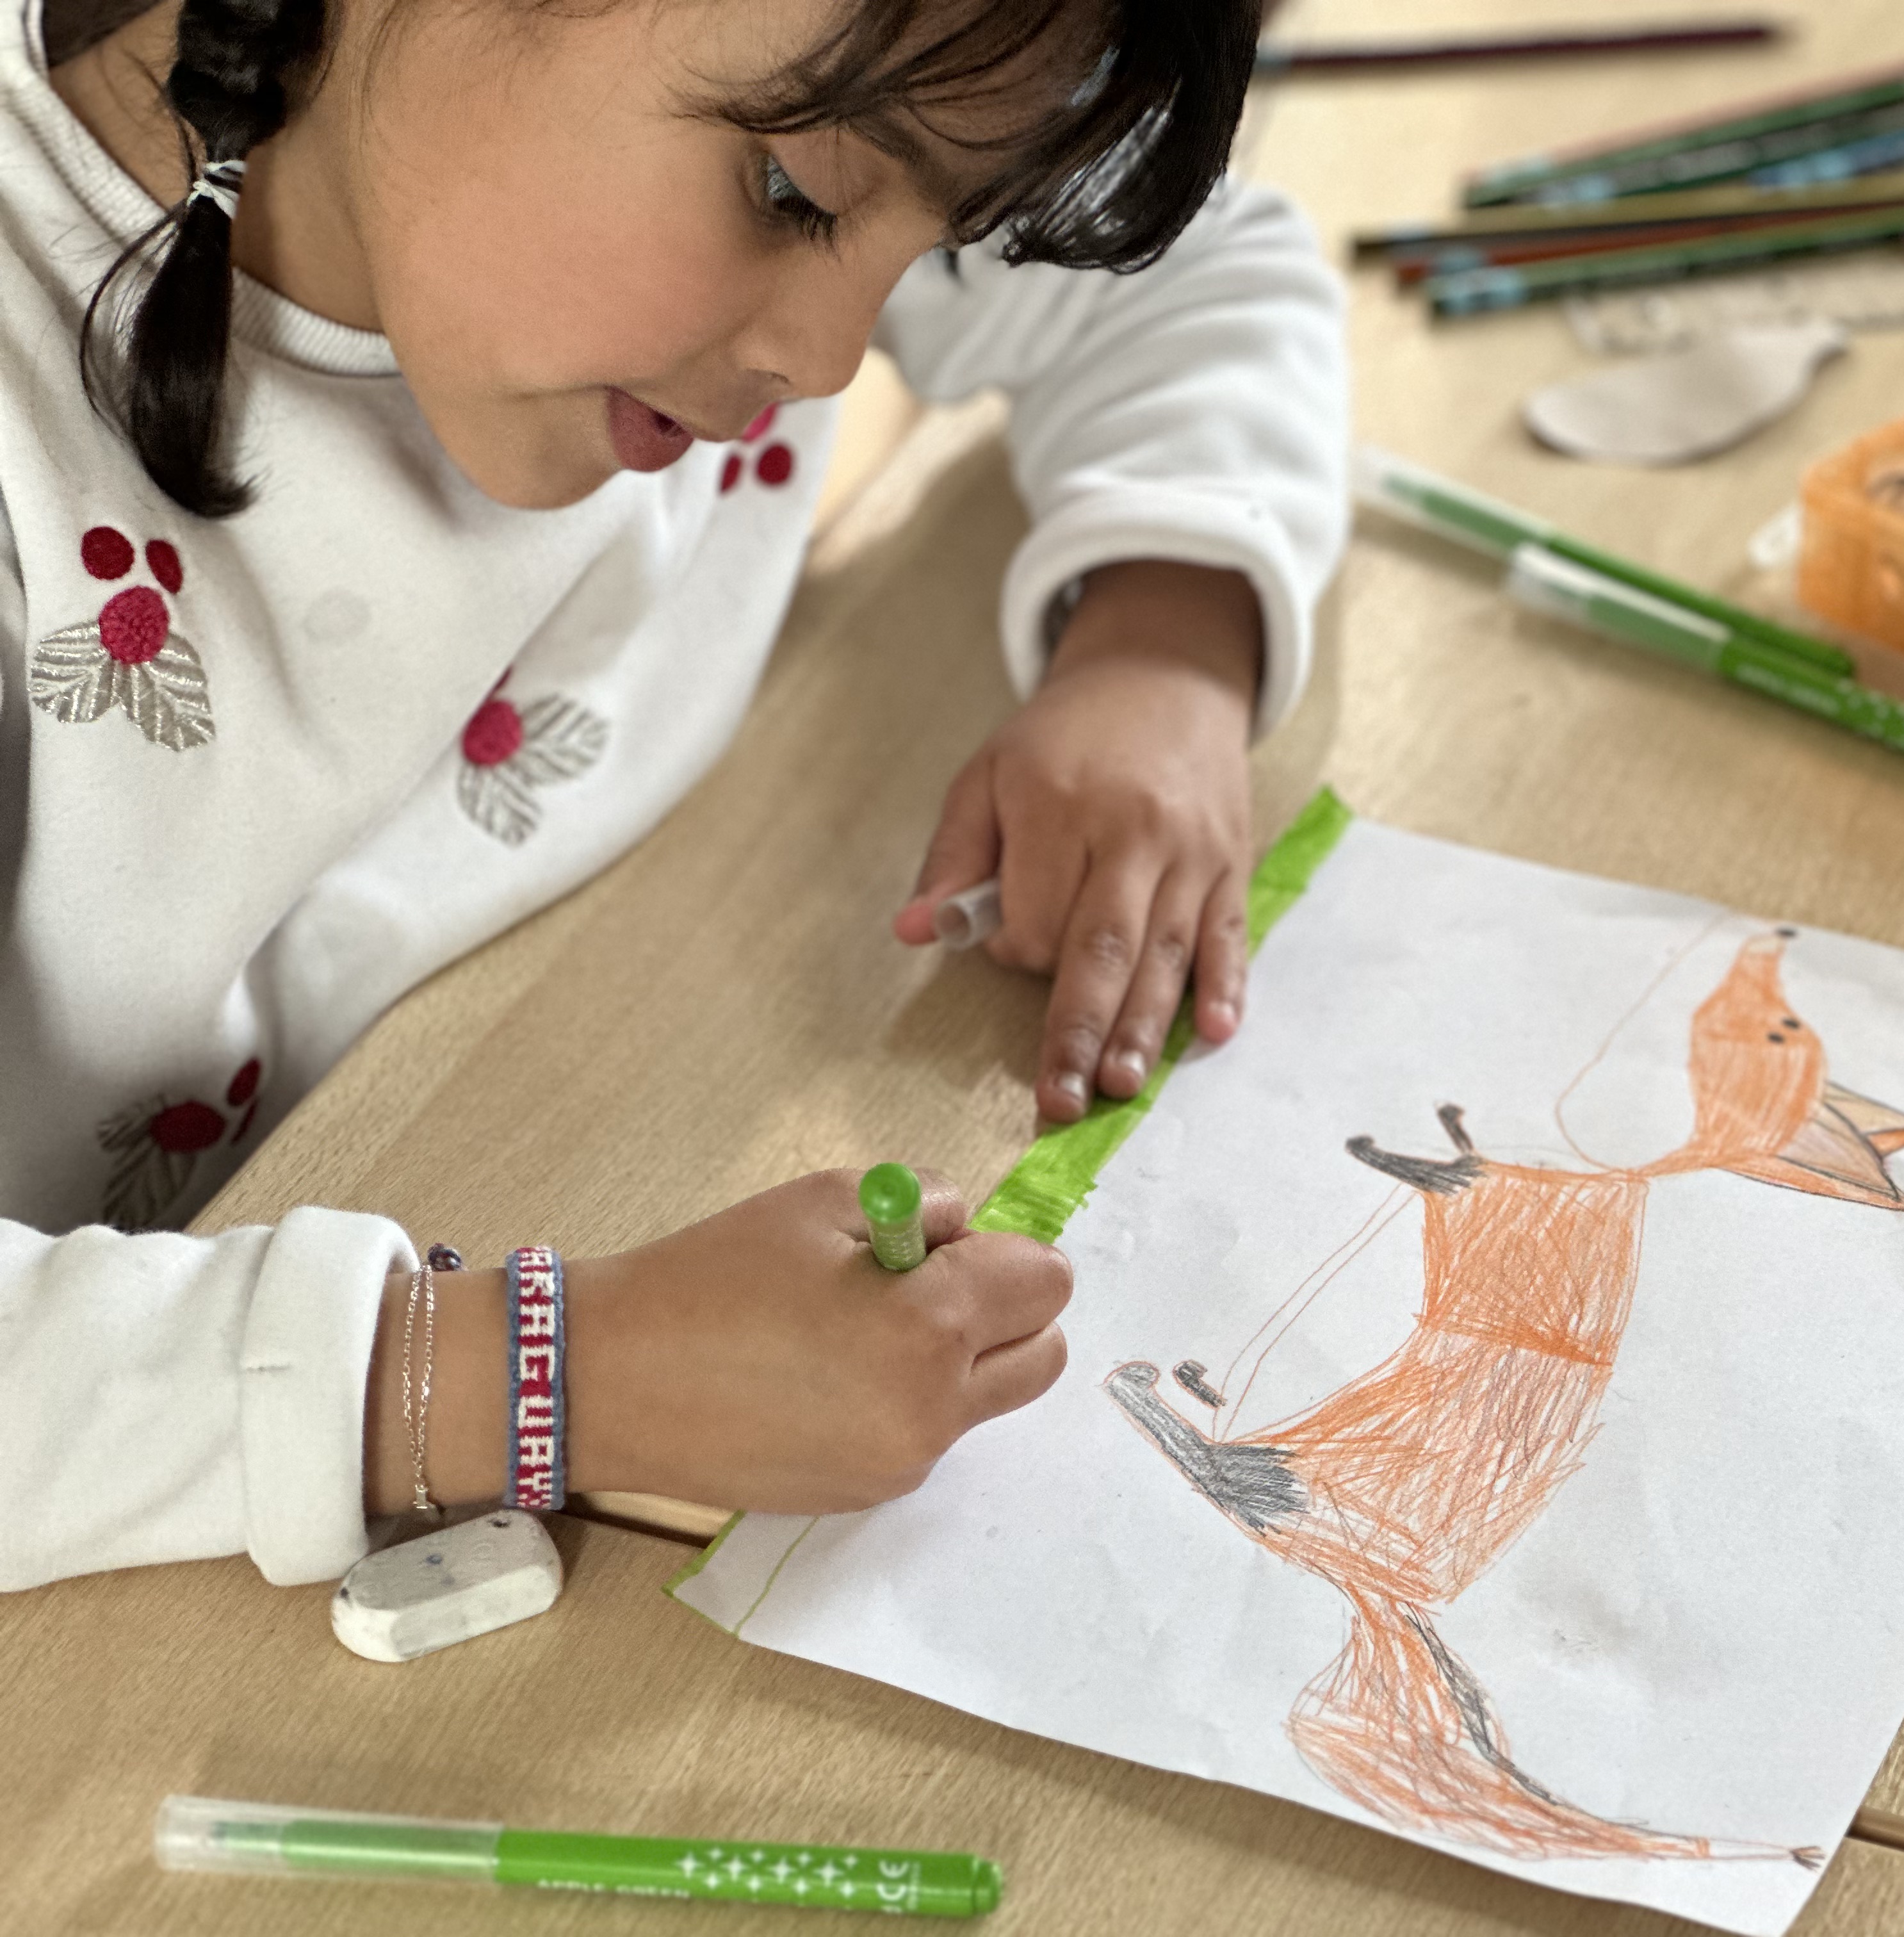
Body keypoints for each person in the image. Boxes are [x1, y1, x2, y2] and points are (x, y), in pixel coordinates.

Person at [0, 0, 1346, 1590]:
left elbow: (1204, 280)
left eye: (940, 244)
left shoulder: (836, 86)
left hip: (523, 1091)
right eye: (792, 197)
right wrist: (546, 1375)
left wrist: (1161, 648)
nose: (830, 355)